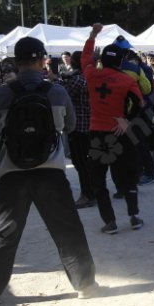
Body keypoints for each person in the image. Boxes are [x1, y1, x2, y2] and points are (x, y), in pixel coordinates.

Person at [0, 37, 97, 305]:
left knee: (3, 231)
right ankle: (85, 284)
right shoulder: (57, 91)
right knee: (67, 228)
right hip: (51, 171)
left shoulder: (2, 93)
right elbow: (71, 126)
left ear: (16, 63)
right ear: (43, 60)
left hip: (12, 172)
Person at [82, 23, 144, 234]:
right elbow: (138, 101)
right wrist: (126, 119)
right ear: (120, 61)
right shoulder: (126, 79)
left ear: (101, 60)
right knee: (127, 173)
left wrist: (93, 35)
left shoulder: (91, 74)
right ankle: (134, 216)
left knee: (98, 177)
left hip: (97, 132)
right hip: (119, 133)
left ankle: (109, 222)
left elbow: (84, 59)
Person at [56, 51, 94, 208]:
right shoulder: (89, 77)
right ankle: (93, 192)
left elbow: (62, 95)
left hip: (78, 127)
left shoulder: (77, 80)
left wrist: (56, 80)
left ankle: (87, 195)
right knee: (87, 163)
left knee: (81, 163)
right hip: (89, 126)